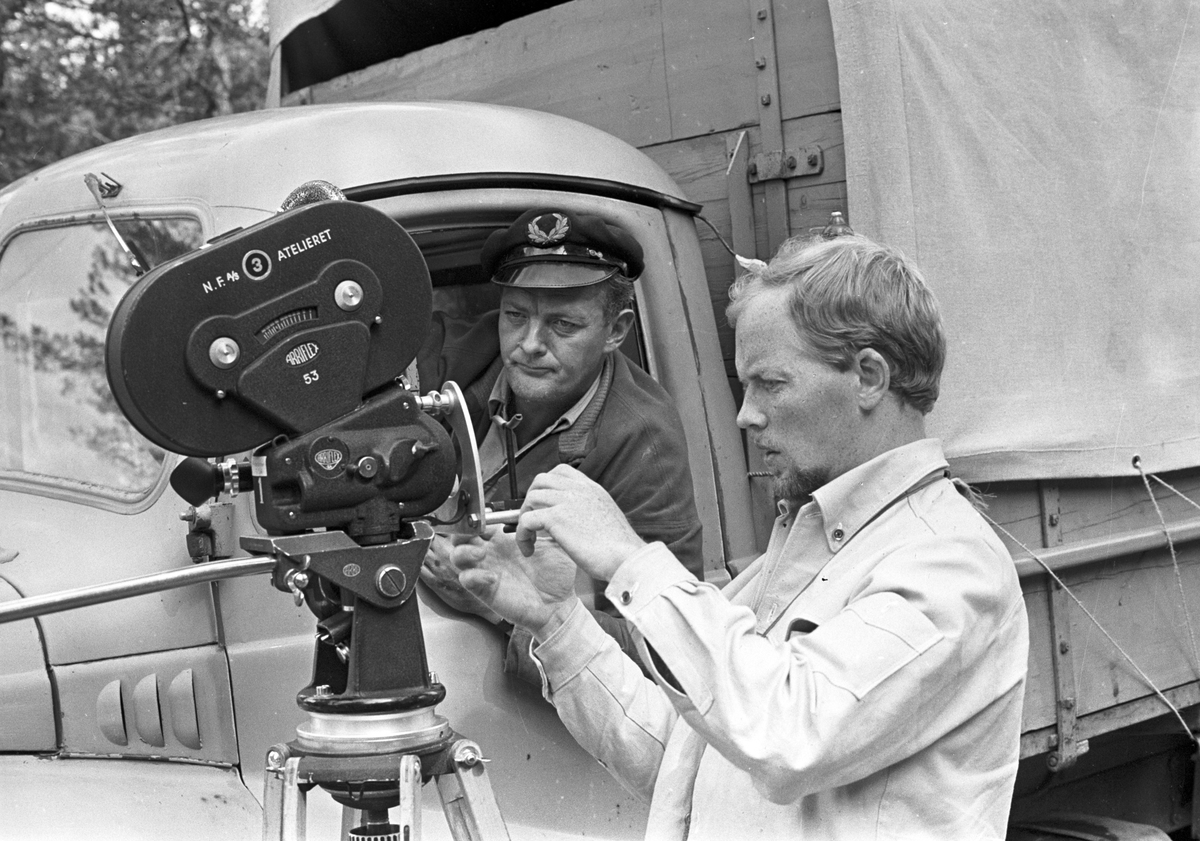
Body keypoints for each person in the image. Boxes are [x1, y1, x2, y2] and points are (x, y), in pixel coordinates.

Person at [451, 233, 1030, 839]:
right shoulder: (806, 542)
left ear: (868, 376)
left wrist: (629, 559)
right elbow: (685, 770)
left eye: (770, 384)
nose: (746, 414)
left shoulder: (948, 562)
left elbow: (788, 738)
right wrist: (557, 622)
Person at [417, 207, 704, 679]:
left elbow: (669, 652)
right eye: (514, 315)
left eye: (563, 326)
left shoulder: (643, 440)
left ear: (617, 330)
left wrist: (494, 603)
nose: (529, 343)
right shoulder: (460, 353)